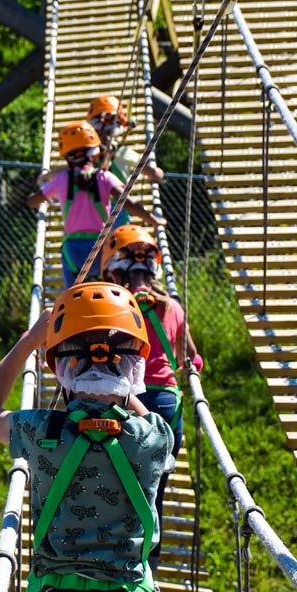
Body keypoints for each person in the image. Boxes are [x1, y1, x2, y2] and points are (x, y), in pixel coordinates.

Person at [0, 282, 174, 592]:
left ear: (63, 369)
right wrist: (115, 364)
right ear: (135, 370)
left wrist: (28, 343)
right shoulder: (155, 436)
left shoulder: (41, 431)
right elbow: (137, 404)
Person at [101, 223, 204, 573]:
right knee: (154, 485)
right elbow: (195, 359)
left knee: (117, 478)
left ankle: (117, 554)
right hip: (168, 403)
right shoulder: (173, 307)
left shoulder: (117, 305)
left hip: (127, 398)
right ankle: (150, 561)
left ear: (116, 272)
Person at [28, 121, 164, 288]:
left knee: (72, 296)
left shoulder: (61, 180)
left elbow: (35, 201)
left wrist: (33, 197)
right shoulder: (104, 177)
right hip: (103, 247)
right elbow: (127, 202)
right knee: (109, 291)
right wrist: (153, 220)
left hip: (72, 250)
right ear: (94, 153)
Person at [86, 94, 164, 186]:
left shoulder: (81, 153)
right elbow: (156, 174)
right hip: (117, 197)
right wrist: (151, 178)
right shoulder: (122, 152)